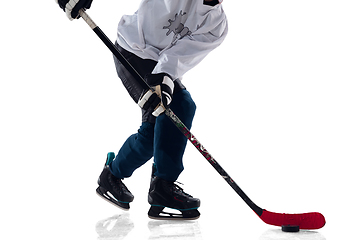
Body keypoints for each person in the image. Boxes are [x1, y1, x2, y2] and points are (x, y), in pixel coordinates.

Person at [56, 0, 228, 220]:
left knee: (173, 113)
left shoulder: (217, 25)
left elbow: (177, 58)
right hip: (132, 50)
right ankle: (162, 186)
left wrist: (164, 80)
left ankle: (114, 176)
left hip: (158, 65)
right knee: (167, 114)